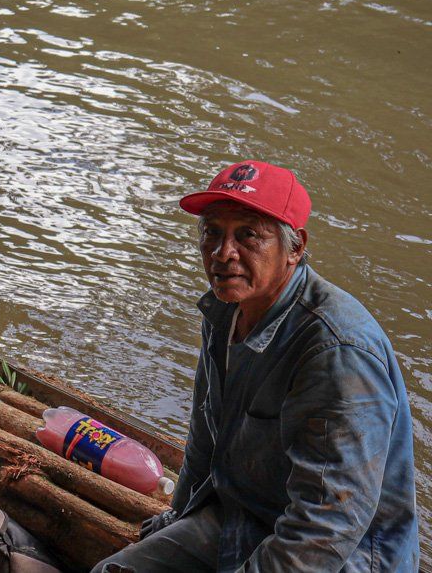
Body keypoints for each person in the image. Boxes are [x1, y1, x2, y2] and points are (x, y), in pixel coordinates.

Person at [92, 161, 420, 573]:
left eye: (248, 235)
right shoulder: (226, 309)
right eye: (213, 232)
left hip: (343, 559)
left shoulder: (336, 351)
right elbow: (205, 438)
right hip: (244, 519)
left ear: (295, 248)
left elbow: (326, 528)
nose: (223, 253)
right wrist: (176, 520)